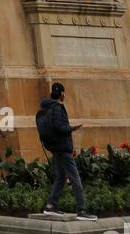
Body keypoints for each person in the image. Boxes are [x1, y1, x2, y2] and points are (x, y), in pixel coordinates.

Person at [37, 81, 97, 219]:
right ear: (62, 94)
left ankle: (51, 205)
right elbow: (59, 127)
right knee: (75, 178)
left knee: (61, 177)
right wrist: (72, 128)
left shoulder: (47, 107)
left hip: (55, 147)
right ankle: (82, 210)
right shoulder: (58, 107)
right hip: (63, 148)